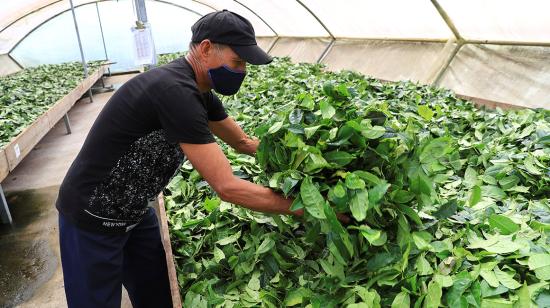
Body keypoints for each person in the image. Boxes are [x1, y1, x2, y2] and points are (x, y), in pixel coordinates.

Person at [55, 9, 305, 308]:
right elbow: (227, 187)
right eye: (238, 62)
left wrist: (300, 159)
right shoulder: (175, 91)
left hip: (135, 210)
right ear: (206, 49)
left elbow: (241, 142)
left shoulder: (200, 90)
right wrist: (309, 208)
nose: (242, 72)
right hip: (93, 215)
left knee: (158, 294)